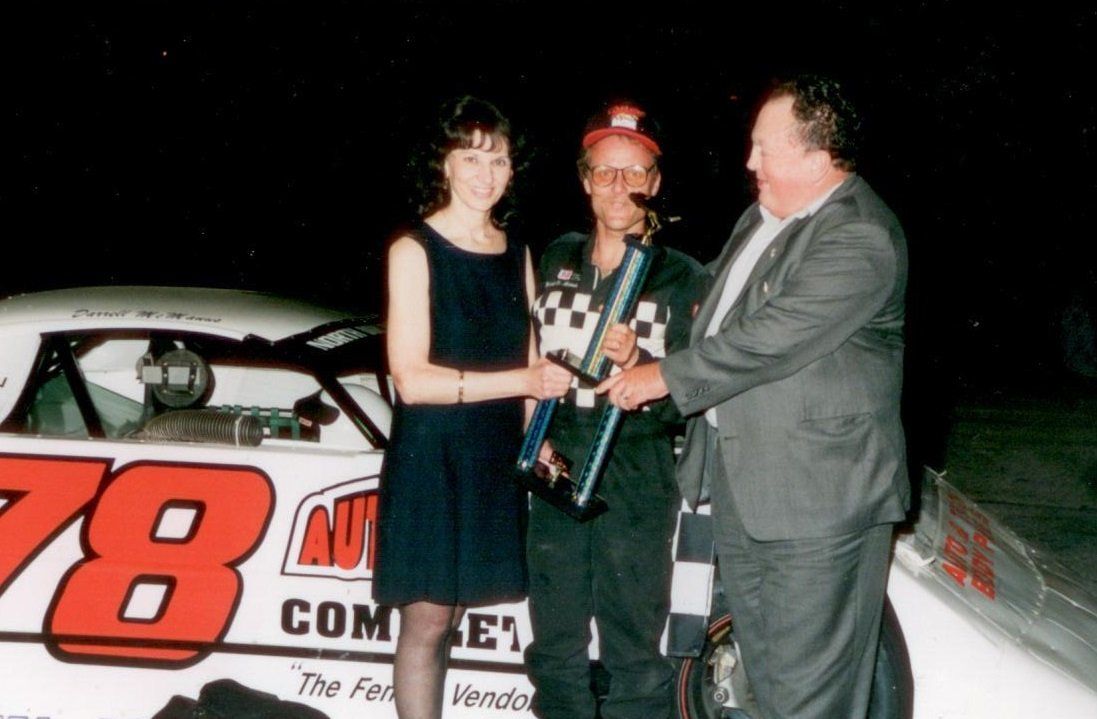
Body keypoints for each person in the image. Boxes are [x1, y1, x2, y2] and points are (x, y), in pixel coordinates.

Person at [599, 75, 910, 719]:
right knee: (765, 683)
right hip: (751, 491)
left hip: (820, 507)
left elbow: (772, 337)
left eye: (764, 149)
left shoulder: (859, 237)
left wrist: (663, 379)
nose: (749, 163)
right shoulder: (764, 219)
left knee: (807, 697)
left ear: (817, 160)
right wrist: (647, 349)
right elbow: (712, 310)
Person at [373, 96, 572, 719]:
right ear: (446, 164)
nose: (486, 174)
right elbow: (412, 380)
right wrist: (524, 380)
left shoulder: (518, 253)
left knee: (455, 615)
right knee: (428, 619)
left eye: (500, 160)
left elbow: (533, 366)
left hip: (489, 456)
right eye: (472, 157)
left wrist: (535, 436)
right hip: (432, 455)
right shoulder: (413, 248)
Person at [524, 102, 705, 719]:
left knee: (633, 646)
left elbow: (695, 395)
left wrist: (645, 364)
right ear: (584, 180)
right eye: (605, 172)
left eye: (635, 173)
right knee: (554, 642)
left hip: (636, 463)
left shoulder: (685, 278)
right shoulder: (555, 258)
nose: (619, 188)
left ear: (655, 184)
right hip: (558, 459)